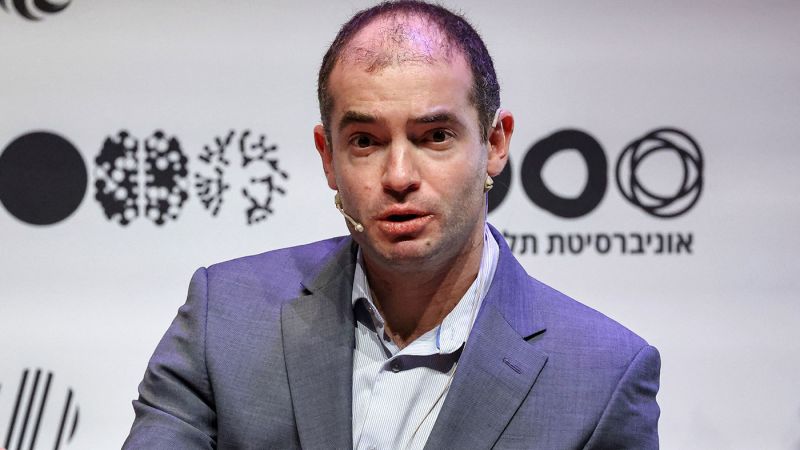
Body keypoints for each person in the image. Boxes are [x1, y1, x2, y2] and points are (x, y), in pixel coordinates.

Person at [124, 1, 660, 448]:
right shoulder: (225, 317)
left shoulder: (603, 376)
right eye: (365, 141)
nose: (399, 176)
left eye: (435, 137)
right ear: (328, 157)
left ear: (495, 144)